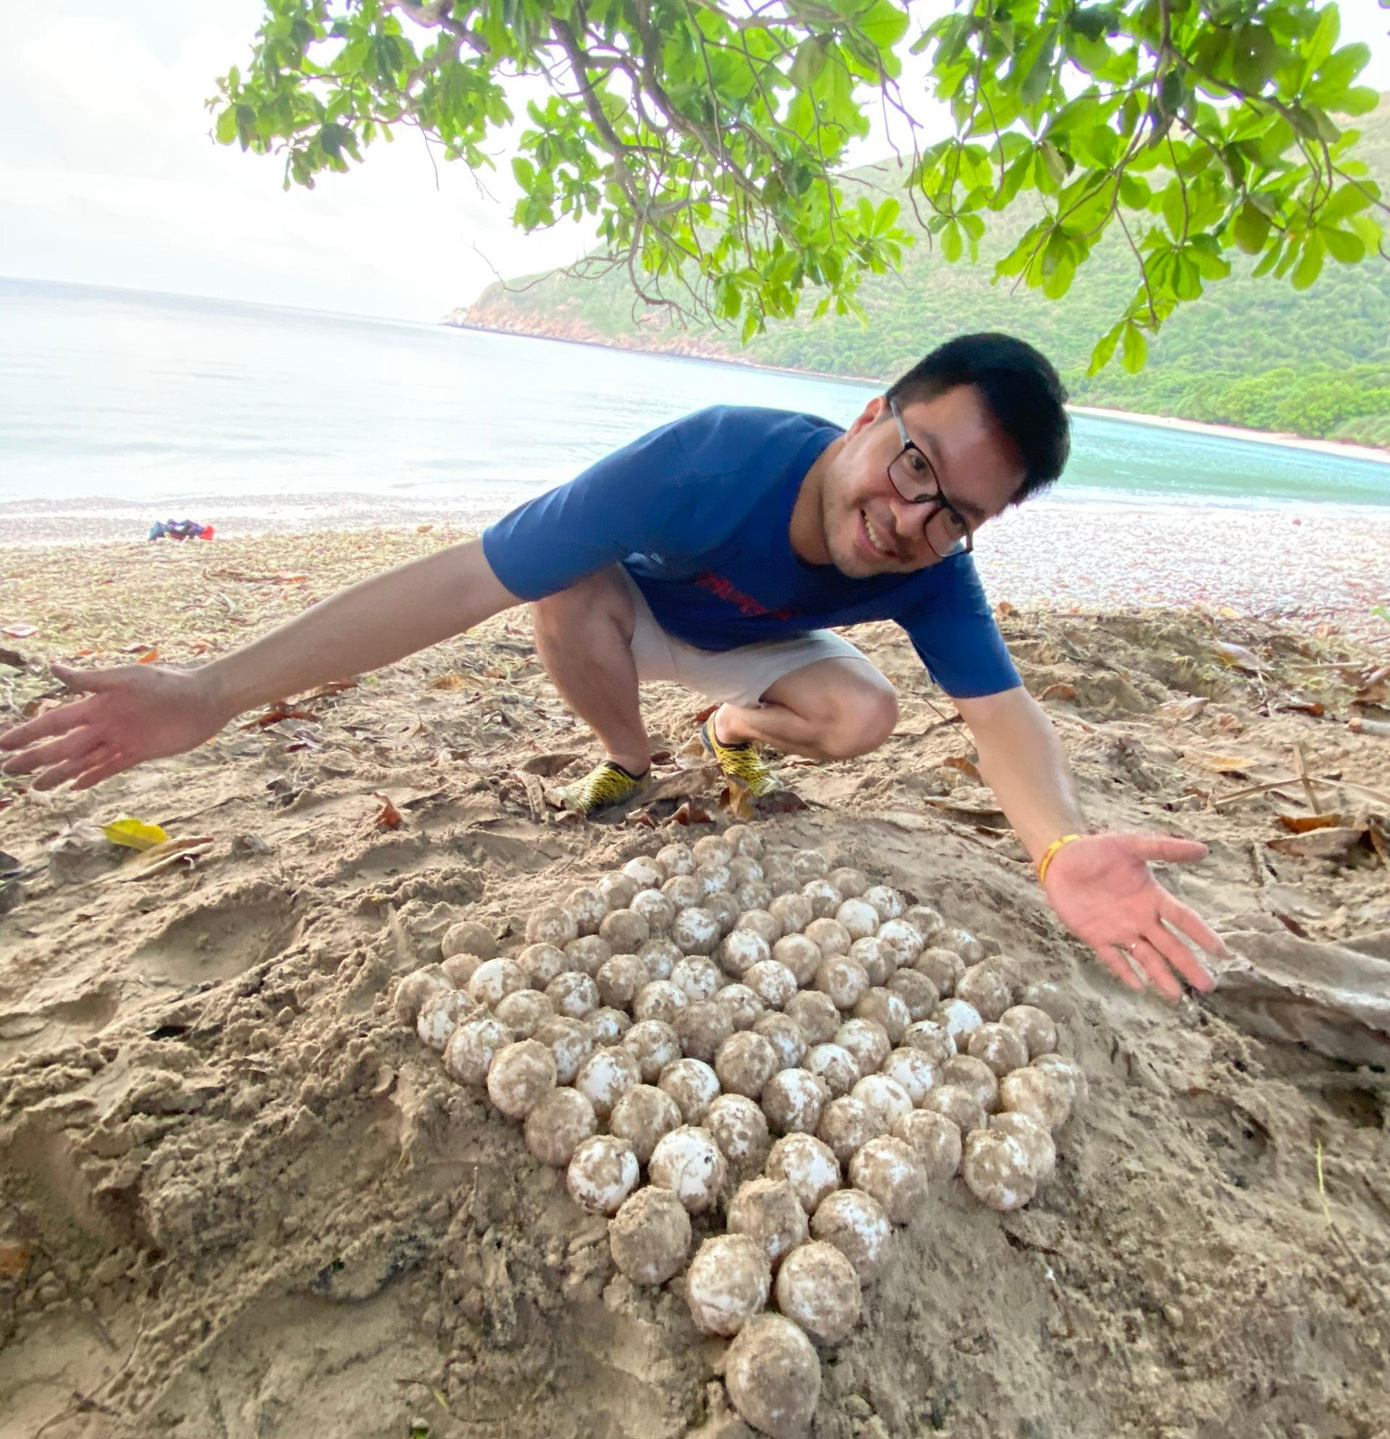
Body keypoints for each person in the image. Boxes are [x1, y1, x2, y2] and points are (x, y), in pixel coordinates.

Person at [0, 332, 1224, 999]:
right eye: (914, 466)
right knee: (562, 581)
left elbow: (1003, 718)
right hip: (629, 621)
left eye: (956, 513)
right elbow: (462, 581)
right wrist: (213, 689)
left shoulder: (929, 565)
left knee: (868, 712)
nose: (914, 518)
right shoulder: (708, 458)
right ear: (869, 419)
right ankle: (630, 761)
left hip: (755, 650)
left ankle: (729, 733)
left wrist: (1058, 848)